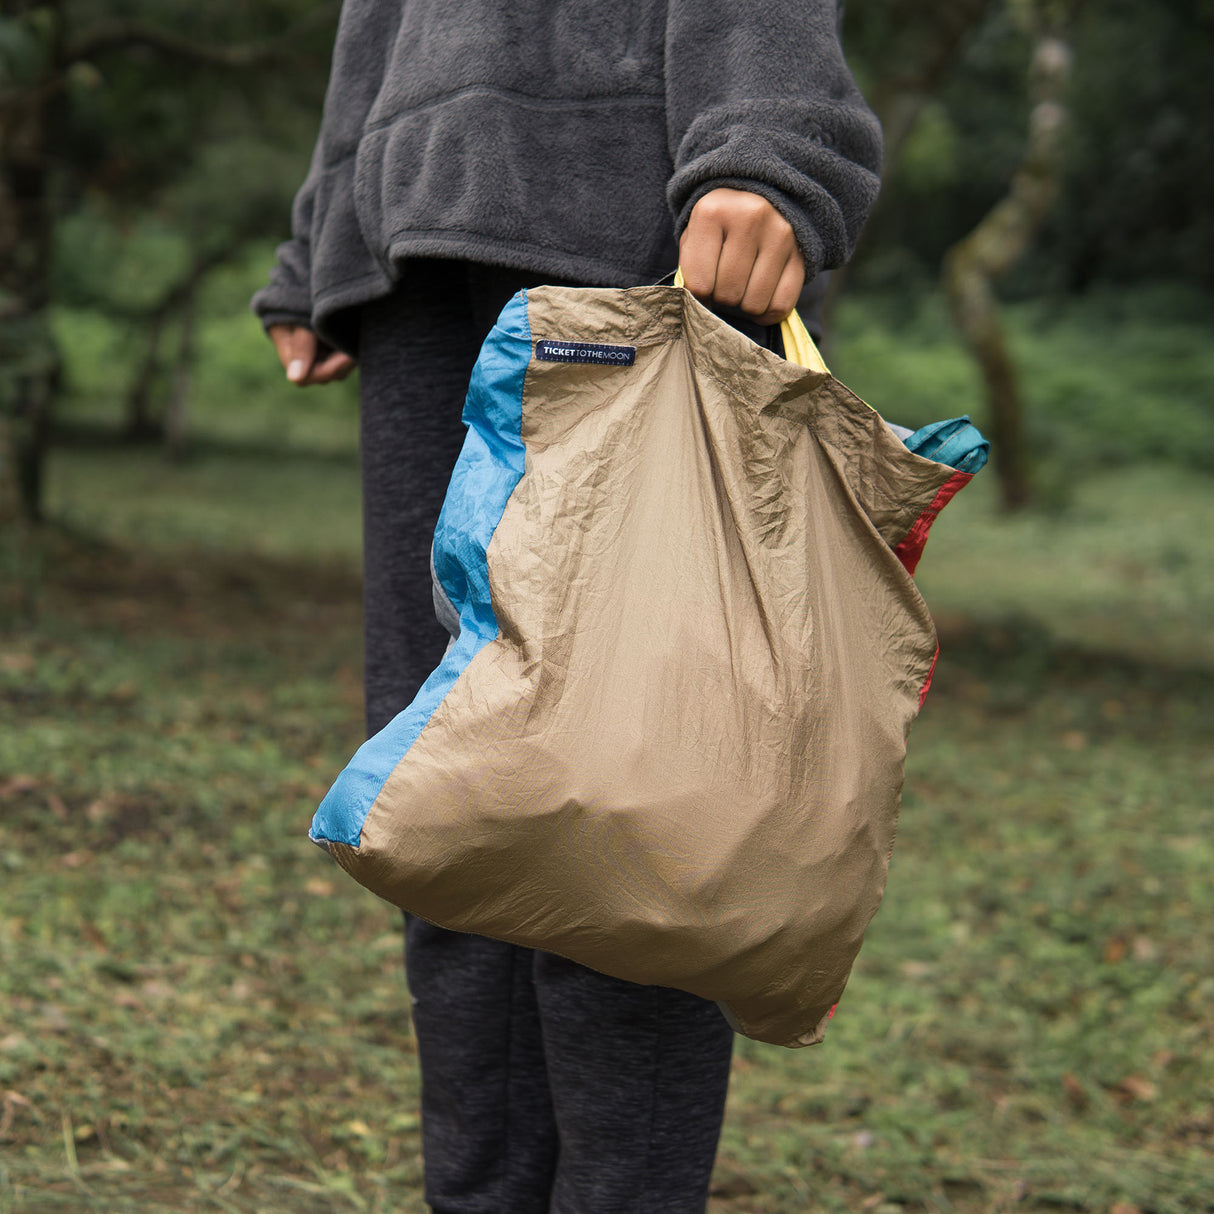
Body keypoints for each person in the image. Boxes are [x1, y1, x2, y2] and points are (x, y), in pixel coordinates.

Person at [253, 3, 880, 1210]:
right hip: (416, 259)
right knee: (445, 815)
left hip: (631, 224)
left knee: (627, 835)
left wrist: (767, 135)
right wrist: (324, 226)